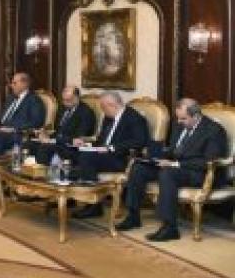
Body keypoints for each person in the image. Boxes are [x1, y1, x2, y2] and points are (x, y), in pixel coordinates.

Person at [117, 98, 227, 241]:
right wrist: (155, 157)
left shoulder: (214, 130)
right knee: (139, 167)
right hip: (177, 167)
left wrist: (175, 164)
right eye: (178, 118)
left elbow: (207, 162)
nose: (179, 122)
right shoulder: (180, 125)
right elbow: (173, 151)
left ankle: (170, 228)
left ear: (196, 116)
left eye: (183, 118)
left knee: (168, 173)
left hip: (200, 173)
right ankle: (133, 216)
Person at [71, 91, 149, 219]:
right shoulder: (108, 117)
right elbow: (101, 140)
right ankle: (75, 196)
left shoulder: (134, 118)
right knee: (77, 152)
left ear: (112, 105)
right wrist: (87, 144)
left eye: (103, 107)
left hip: (121, 158)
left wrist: (112, 148)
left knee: (86, 158)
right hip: (104, 155)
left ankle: (94, 205)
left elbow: (139, 141)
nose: (102, 110)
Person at [0, 72, 46, 158]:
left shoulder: (34, 100)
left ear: (24, 84)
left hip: (17, 134)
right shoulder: (10, 98)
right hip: (0, 130)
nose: (11, 85)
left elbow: (36, 122)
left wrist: (13, 129)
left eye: (15, 83)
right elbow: (3, 118)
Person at [30, 85, 96, 165]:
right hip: (58, 142)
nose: (65, 103)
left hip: (70, 147)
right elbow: (58, 130)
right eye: (63, 100)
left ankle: (41, 172)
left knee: (45, 147)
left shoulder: (86, 113)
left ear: (77, 98)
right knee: (30, 144)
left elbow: (80, 136)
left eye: (68, 100)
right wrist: (45, 134)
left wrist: (55, 140)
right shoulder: (63, 109)